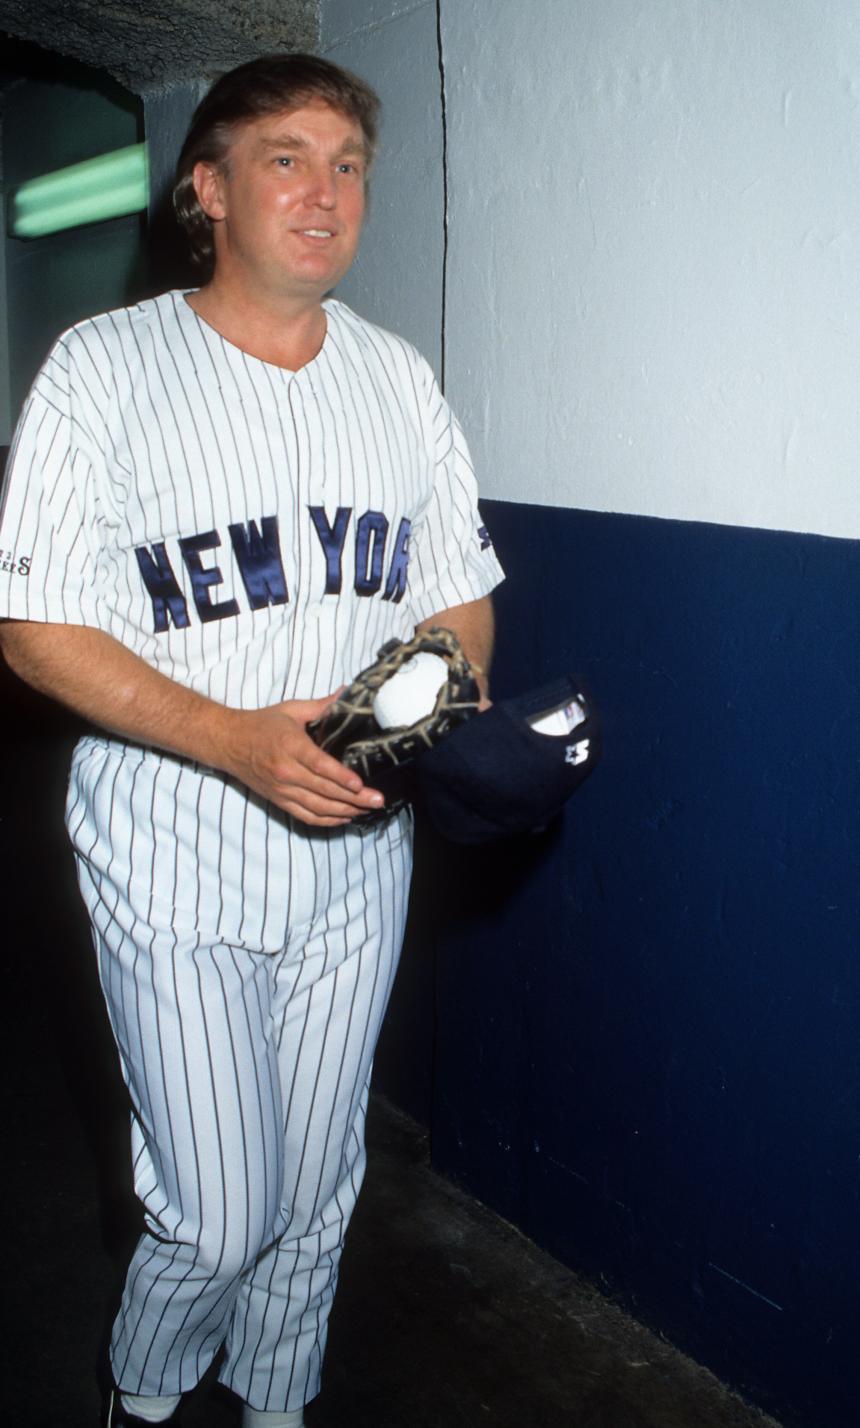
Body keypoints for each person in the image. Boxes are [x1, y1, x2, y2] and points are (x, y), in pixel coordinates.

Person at [0, 53, 504, 1428]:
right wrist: (230, 740)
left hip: (355, 856)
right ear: (205, 189)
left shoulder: (398, 382)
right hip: (175, 856)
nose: (326, 189)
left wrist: (415, 726)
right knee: (220, 1214)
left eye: (349, 162)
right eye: (286, 156)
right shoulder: (102, 371)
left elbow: (459, 599)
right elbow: (34, 626)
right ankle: (145, 1395)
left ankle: (276, 1405)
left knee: (320, 1186)